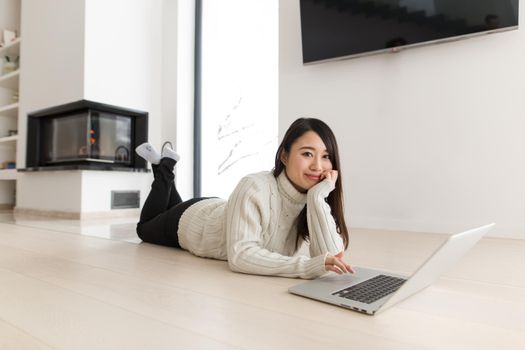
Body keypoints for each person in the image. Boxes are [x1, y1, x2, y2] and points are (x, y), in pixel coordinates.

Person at [135, 117, 353, 279]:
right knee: (145, 228)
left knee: (168, 208)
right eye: (307, 154)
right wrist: (305, 267)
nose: (317, 165)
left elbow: (333, 259)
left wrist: (317, 198)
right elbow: (241, 256)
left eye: (326, 156)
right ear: (284, 156)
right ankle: (164, 167)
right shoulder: (254, 186)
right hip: (191, 221)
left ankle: (161, 164)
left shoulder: (312, 196)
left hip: (218, 209)